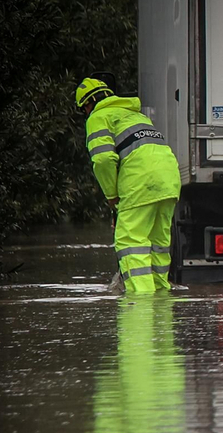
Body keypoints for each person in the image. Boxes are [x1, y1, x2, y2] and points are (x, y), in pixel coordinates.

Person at [76, 77, 181, 294]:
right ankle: (161, 296)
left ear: (89, 103)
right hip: (169, 179)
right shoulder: (135, 115)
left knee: (130, 241)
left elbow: (103, 160)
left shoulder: (98, 117)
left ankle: (141, 299)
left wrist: (111, 195)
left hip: (140, 181)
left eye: (84, 109)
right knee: (158, 243)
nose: (85, 113)